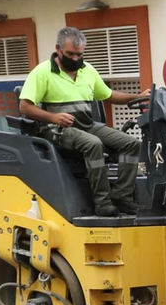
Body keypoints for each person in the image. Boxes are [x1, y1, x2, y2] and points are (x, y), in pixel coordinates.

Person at [19, 27, 148, 217]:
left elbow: (110, 95)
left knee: (132, 144)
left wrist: (137, 96)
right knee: (93, 144)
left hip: (86, 125)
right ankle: (103, 204)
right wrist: (54, 117)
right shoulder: (42, 72)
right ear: (58, 49)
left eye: (79, 55)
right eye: (70, 54)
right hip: (56, 129)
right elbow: (25, 107)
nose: (75, 59)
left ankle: (121, 197)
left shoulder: (87, 70)